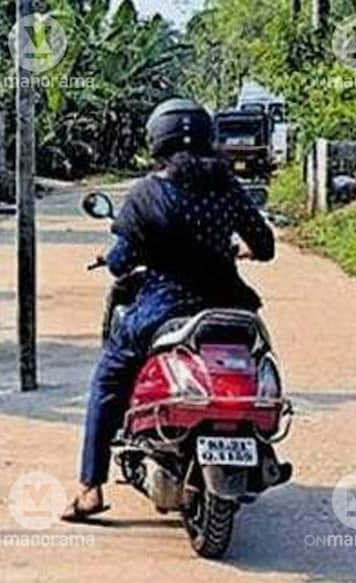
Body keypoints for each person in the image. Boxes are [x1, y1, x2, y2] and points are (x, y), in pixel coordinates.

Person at [63, 98, 275, 521]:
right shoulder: (227, 186)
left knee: (108, 379)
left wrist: (113, 257)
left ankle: (90, 488)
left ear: (156, 140)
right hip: (228, 305)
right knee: (255, 355)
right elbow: (265, 247)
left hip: (162, 306)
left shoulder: (147, 192)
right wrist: (240, 250)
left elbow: (122, 261)